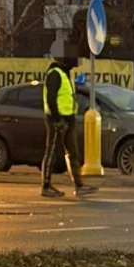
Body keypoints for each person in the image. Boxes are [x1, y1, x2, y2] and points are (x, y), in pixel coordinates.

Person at [41, 57, 98, 198]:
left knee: (72, 151)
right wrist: (56, 119)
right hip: (57, 119)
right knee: (51, 151)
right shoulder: (55, 73)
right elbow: (51, 98)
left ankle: (78, 185)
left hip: (68, 117)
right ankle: (45, 186)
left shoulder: (66, 74)